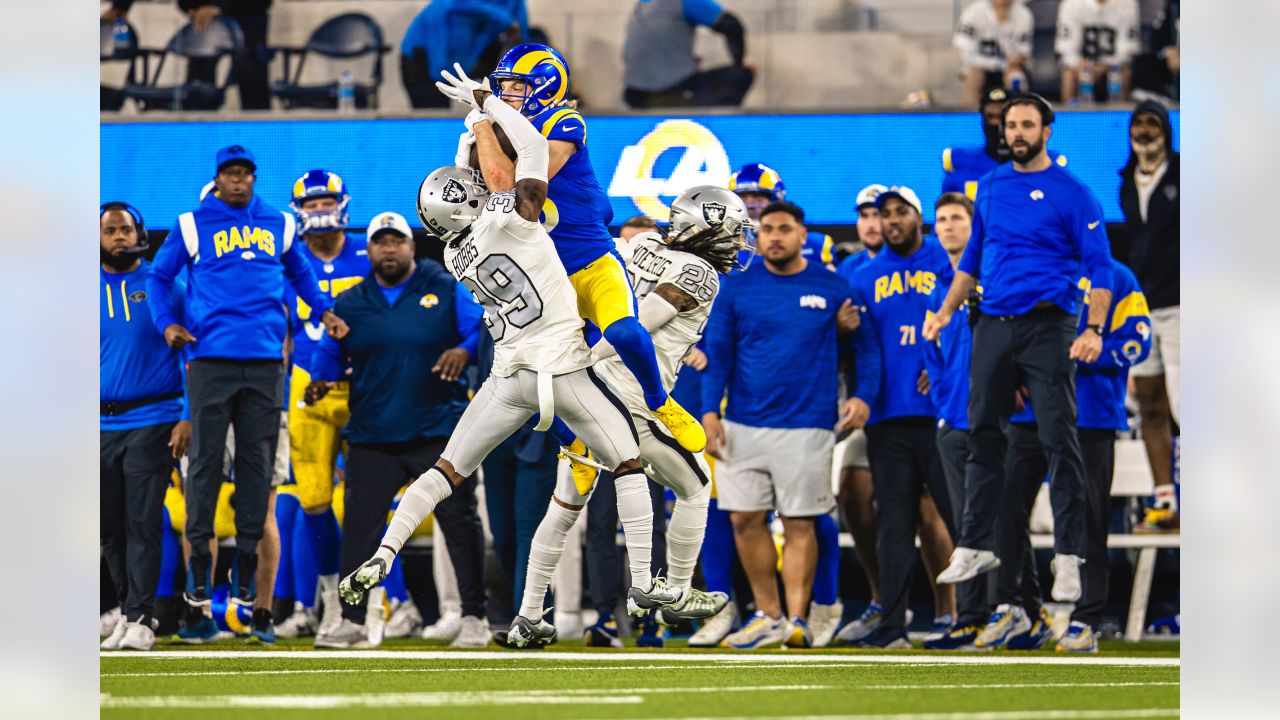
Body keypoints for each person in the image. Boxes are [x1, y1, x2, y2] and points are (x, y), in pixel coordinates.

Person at [339, 80, 671, 651]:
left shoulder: (452, 251)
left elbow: (465, 184)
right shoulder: (514, 214)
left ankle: (382, 554)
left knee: (446, 471)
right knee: (631, 463)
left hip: (507, 376)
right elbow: (529, 159)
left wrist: (471, 134)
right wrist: (487, 107)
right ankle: (643, 584)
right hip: (563, 368)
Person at [925, 95, 1114, 604]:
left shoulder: (1074, 193)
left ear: (1047, 130)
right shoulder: (987, 187)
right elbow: (971, 259)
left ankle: (1069, 555)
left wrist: (1093, 328)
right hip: (993, 323)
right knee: (981, 430)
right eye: (1011, 125)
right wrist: (945, 311)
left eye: (1028, 124)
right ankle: (974, 543)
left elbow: (1101, 268)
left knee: (1058, 439)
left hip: (1049, 325)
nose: (1018, 132)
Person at [474, 44, 706, 453]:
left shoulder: (562, 120)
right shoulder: (499, 129)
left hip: (592, 261)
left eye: (515, 84)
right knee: (535, 378)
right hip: (548, 279)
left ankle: (660, 402)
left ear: (545, 87)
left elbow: (516, 183)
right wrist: (481, 126)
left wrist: (485, 123)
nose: (506, 92)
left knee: (623, 331)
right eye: (503, 85)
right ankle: (575, 448)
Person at [148, 144, 347, 613]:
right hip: (210, 359)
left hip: (265, 364)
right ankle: (200, 557)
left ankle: (244, 559)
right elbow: (159, 278)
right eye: (229, 173)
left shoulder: (280, 223)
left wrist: (325, 313)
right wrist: (165, 324)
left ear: (253, 178)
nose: (238, 180)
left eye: (245, 173)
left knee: (258, 470)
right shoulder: (191, 224)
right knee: (205, 467)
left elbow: (301, 275)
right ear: (218, 179)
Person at [572, 187, 754, 650]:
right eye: (731, 233)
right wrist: (589, 360)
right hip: (629, 397)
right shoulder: (700, 272)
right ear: (704, 229)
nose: (736, 244)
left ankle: (531, 612)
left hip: (590, 392)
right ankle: (673, 591)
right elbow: (633, 326)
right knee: (696, 486)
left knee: (565, 506)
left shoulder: (643, 245)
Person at [304, 211, 489, 649]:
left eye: (398, 241)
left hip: (438, 431)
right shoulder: (350, 301)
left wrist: (464, 352)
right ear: (368, 251)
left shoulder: (443, 286)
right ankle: (352, 620)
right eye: (380, 242)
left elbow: (480, 328)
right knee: (360, 530)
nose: (389, 249)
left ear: (411, 245)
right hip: (372, 433)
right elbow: (330, 353)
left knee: (459, 524)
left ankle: (474, 617)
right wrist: (319, 379)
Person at [701, 200, 876, 649]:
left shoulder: (835, 287)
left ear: (803, 236)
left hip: (808, 426)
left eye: (784, 228)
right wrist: (709, 413)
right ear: (757, 237)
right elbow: (718, 355)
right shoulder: (735, 288)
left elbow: (867, 350)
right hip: (742, 423)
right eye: (767, 229)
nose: (774, 236)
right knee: (744, 519)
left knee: (800, 523)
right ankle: (769, 615)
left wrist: (861, 396)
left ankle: (798, 619)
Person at [979, 257, 1152, 652]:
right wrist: (1010, 376)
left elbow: (1138, 342)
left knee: (1088, 515)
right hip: (1030, 415)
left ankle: (1085, 618)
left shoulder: (1117, 276)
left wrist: (1085, 351)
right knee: (1005, 506)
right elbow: (1004, 338)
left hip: (1089, 417)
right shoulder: (1031, 270)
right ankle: (1018, 608)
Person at [727, 162, 843, 646]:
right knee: (739, 515)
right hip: (745, 407)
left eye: (762, 199)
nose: (754, 207)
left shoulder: (820, 260)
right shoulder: (728, 254)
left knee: (809, 518)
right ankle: (764, 613)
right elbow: (716, 340)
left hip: (806, 408)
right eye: (746, 199)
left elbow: (850, 331)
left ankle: (819, 606)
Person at [832, 183, 954, 645]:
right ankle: (891, 623)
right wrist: (843, 333)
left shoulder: (947, 262)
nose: (892, 220)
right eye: (886, 214)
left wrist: (939, 367)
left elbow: (963, 325)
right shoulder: (862, 275)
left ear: (917, 217)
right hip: (886, 415)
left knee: (955, 514)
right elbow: (859, 350)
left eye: (901, 212)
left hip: (939, 412)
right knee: (895, 523)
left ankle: (971, 613)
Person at [100, 203, 191, 651]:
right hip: (97, 423)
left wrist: (188, 413)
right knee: (109, 527)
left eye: (125, 229)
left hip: (154, 417)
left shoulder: (164, 283)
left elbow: (192, 351)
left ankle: (143, 616)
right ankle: (125, 611)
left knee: (141, 521)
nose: (118, 237)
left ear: (140, 234)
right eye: (109, 230)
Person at [919, 192, 996, 650]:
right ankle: (970, 618)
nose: (948, 227)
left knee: (996, 520)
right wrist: (947, 399)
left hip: (992, 418)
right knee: (965, 524)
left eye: (957, 219)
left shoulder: (992, 277)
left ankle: (1015, 610)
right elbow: (934, 356)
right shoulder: (937, 290)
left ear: (974, 227)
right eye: (942, 220)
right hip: (953, 418)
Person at [1119, 101, 1180, 533]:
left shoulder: (1186, 175)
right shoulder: (1125, 182)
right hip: (1144, 306)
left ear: (1166, 131)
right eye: (1138, 123)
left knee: (1186, 404)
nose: (1143, 131)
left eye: (1152, 123)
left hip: (1183, 305)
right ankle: (1164, 501)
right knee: (1150, 405)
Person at [104, 1, 274, 110]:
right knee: (198, 91)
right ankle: (200, 142)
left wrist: (218, 5)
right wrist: (121, 6)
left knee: (252, 86)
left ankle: (264, 144)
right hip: (203, 20)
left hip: (246, 17)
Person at [941, 87, 1068, 201]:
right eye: (990, 117)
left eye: (1002, 118)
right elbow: (945, 216)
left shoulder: (1049, 163)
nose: (996, 124)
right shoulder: (960, 161)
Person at [622, 0, 753, 108]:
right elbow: (732, 25)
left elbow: (629, 52)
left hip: (635, 96)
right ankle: (716, 129)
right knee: (742, 74)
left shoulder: (640, 7)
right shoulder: (684, 1)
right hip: (673, 93)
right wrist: (739, 61)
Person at [400, 0, 529, 109]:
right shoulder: (448, 10)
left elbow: (520, 34)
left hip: (460, 62)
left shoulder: (513, 5)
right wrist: (505, 20)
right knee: (433, 114)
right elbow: (455, 4)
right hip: (424, 61)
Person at [729, 163, 834, 267]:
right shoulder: (720, 250)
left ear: (777, 202)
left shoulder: (813, 246)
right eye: (742, 199)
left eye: (758, 199)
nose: (750, 205)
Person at [1056, 0, 1141, 103]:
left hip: (1113, 66)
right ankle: (1069, 116)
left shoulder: (1128, 4)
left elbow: (1127, 50)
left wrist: (1105, 66)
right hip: (1082, 67)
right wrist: (1081, 65)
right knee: (1068, 73)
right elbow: (1066, 49)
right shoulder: (1070, 4)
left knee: (1125, 71)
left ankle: (1120, 114)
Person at [953, 0, 1034, 106]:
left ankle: (1016, 115)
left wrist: (1014, 60)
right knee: (973, 76)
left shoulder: (1024, 14)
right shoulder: (973, 13)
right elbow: (965, 53)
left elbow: (1023, 52)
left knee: (1016, 78)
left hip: (1010, 67)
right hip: (980, 66)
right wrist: (995, 64)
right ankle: (972, 117)